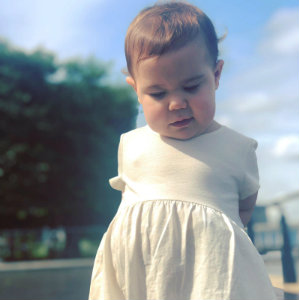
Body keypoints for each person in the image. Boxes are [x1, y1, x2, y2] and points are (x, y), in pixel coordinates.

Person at [89, 2, 279, 299]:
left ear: (216, 75)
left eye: (191, 87)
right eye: (158, 93)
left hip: (210, 273)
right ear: (136, 89)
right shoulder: (131, 144)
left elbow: (243, 208)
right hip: (145, 275)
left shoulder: (238, 148)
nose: (176, 103)